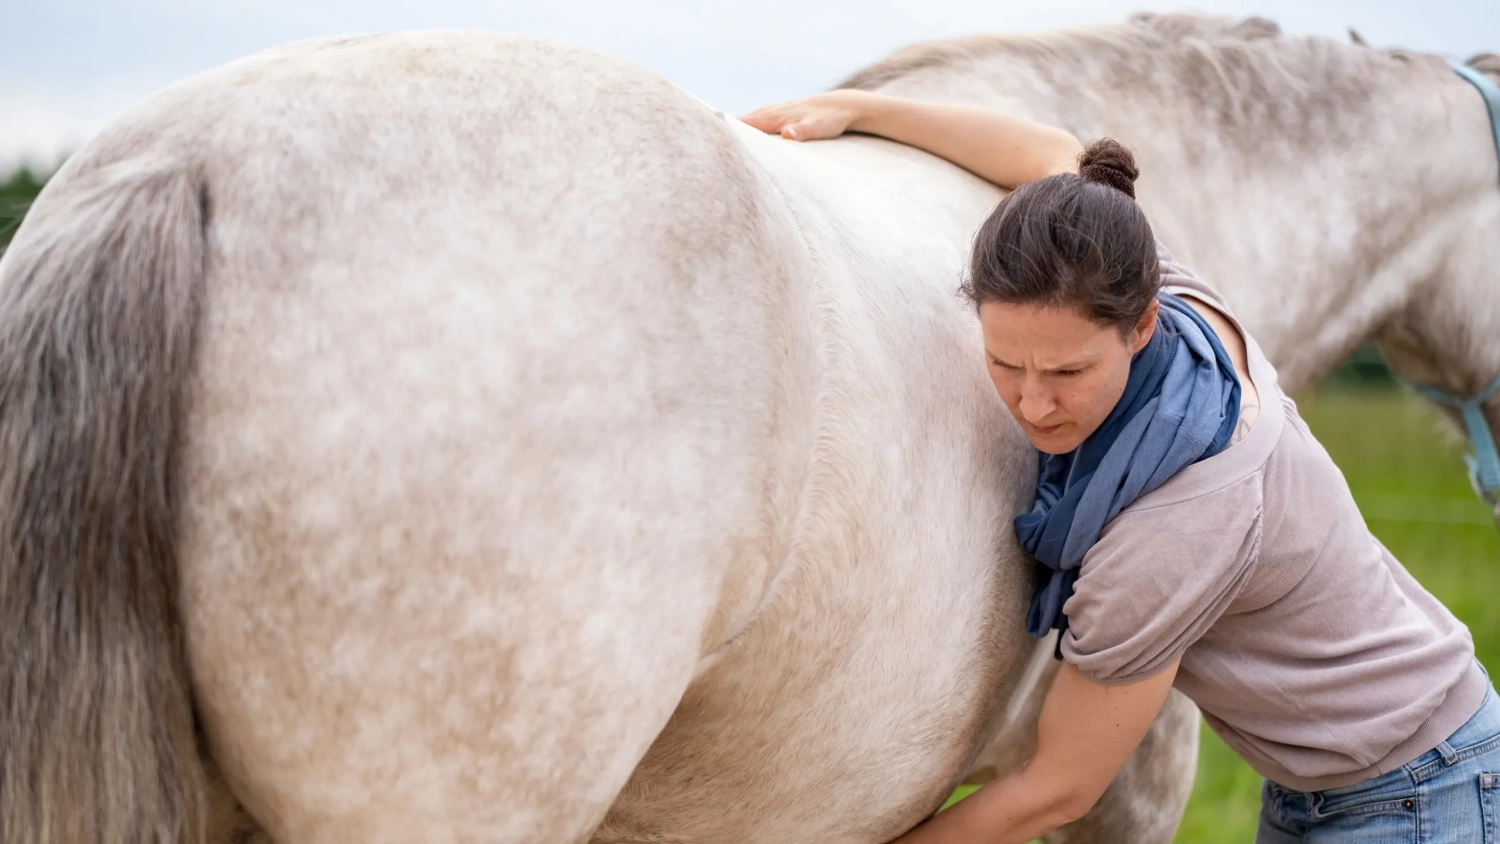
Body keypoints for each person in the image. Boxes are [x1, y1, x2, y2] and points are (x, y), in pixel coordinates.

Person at [739, 90, 1500, 844]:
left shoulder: (1170, 528)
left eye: (1066, 373)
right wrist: (859, 108)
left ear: (1140, 327)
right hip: (1341, 776)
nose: (1033, 405)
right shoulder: (1159, 289)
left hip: (1418, 794)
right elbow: (1048, 155)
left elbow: (1054, 792)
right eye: (1006, 363)